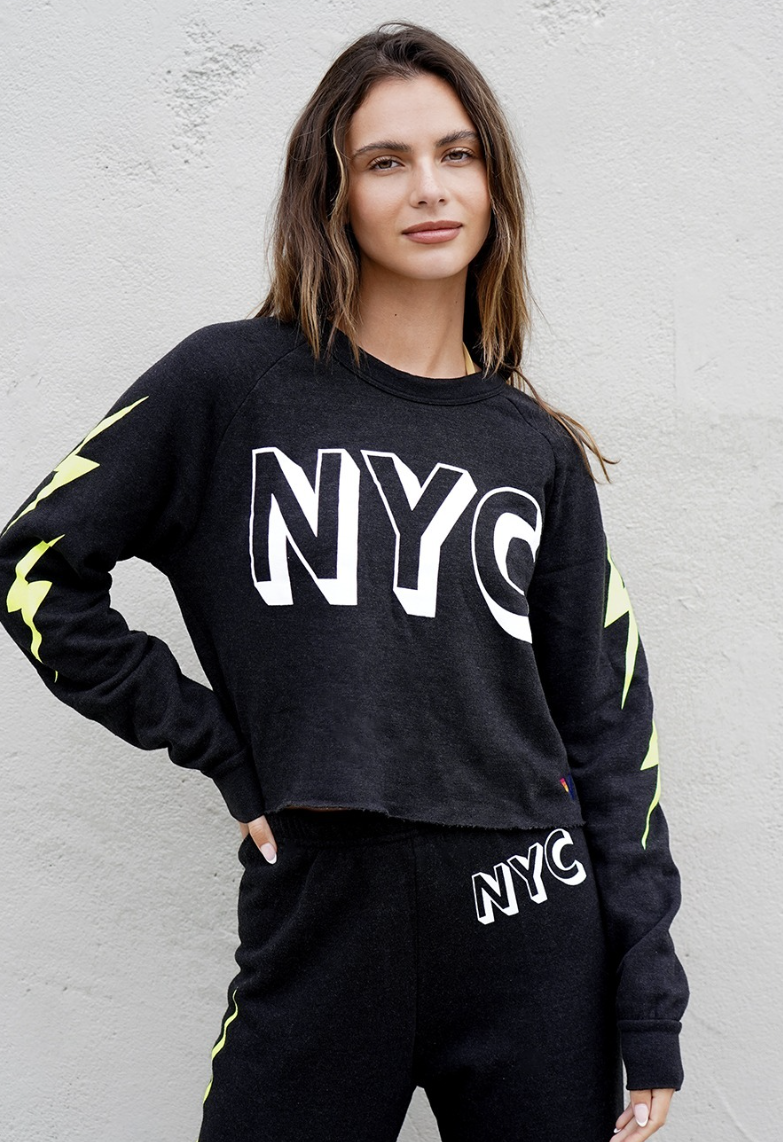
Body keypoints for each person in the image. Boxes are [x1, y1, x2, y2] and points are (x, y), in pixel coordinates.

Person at [0, 20, 689, 1142]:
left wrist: (647, 997)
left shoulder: (534, 451)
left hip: (531, 918)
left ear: (495, 184)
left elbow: (610, 730)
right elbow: (36, 565)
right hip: (322, 910)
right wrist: (218, 745)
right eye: (386, 160)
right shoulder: (232, 384)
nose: (430, 188)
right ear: (334, 192)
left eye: (458, 154)